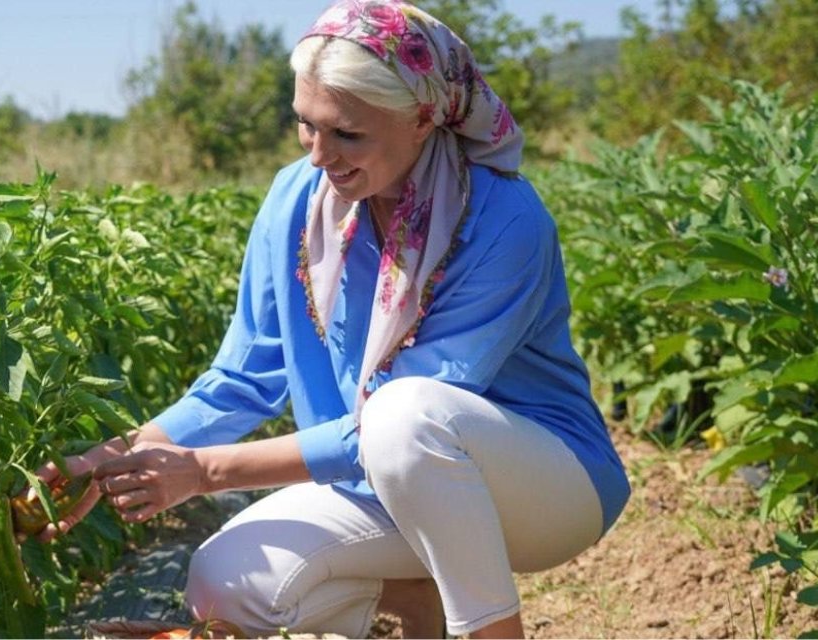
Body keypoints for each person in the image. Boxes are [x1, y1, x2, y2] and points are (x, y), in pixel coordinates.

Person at [34, 1, 630, 637]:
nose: (319, 156)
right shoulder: (299, 199)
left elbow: (396, 428)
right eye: (305, 125)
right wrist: (115, 457)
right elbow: (242, 378)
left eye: (347, 134)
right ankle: (413, 593)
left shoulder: (500, 218)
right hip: (383, 486)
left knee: (404, 417)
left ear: (422, 119)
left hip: (543, 489)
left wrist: (205, 472)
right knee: (225, 585)